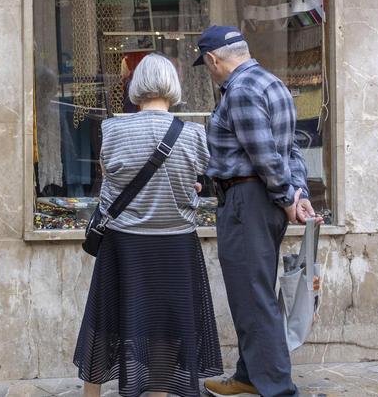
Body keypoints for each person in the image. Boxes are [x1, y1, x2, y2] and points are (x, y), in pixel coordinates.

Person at [74, 53, 223, 397]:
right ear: (173, 86)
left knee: (104, 318)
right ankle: (157, 391)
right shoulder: (195, 134)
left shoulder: (111, 129)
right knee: (165, 326)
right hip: (175, 244)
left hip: (124, 241)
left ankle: (90, 394)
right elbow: (191, 186)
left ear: (135, 86)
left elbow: (110, 181)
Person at [194, 26, 319, 397]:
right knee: (255, 291)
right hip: (261, 200)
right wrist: (297, 193)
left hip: (247, 200)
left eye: (206, 65)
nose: (209, 71)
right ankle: (249, 375)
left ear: (213, 60)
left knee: (252, 295)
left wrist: (286, 197)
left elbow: (264, 157)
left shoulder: (242, 90)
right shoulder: (272, 84)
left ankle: (278, 389)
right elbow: (290, 150)